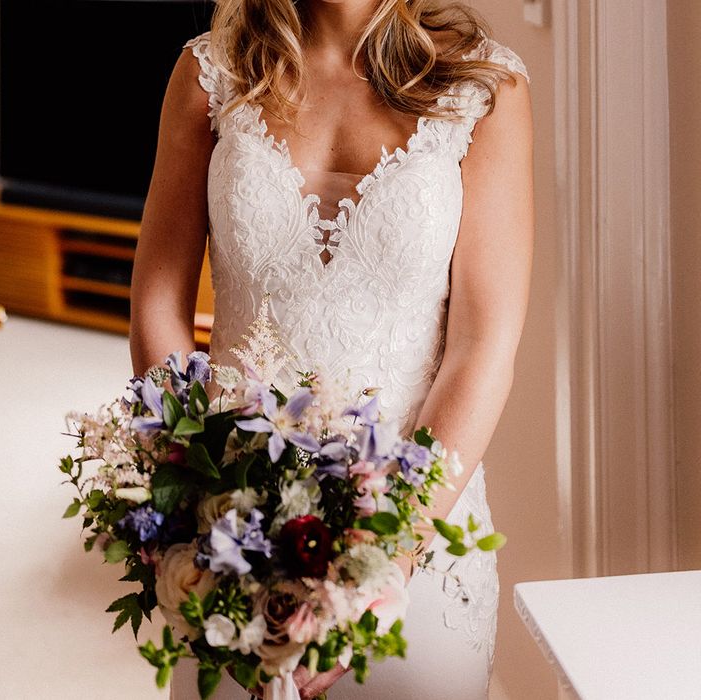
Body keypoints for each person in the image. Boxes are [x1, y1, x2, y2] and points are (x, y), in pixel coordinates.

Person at [128, 0, 534, 696]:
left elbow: (482, 344)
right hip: (234, 543)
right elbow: (158, 302)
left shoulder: (483, 88)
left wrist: (384, 561)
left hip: (418, 536)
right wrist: (203, 500)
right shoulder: (210, 75)